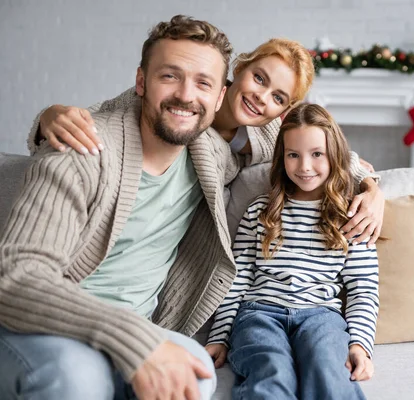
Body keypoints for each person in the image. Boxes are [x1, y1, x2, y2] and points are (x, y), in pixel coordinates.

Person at [0, 15, 244, 400]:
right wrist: (135, 339)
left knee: (194, 373)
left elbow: (282, 132)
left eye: (203, 83)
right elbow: (15, 277)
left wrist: (360, 179)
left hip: (138, 329)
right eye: (169, 76)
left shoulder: (210, 156)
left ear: (219, 98)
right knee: (79, 378)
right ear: (141, 82)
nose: (185, 94)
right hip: (38, 326)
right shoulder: (79, 151)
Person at [29, 38, 385, 246]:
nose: (261, 98)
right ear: (240, 68)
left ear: (284, 110)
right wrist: (49, 115)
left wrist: (372, 190)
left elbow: (338, 156)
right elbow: (96, 119)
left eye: (278, 97)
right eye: (259, 78)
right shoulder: (181, 99)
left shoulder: (269, 135)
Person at [205, 103, 379, 400]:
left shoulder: (351, 216)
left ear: (334, 155)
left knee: (326, 366)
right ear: (282, 158)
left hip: (321, 316)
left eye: (317, 154)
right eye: (293, 155)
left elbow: (363, 290)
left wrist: (360, 345)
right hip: (259, 314)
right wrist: (219, 335)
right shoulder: (261, 211)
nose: (305, 166)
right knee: (272, 370)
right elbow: (238, 278)